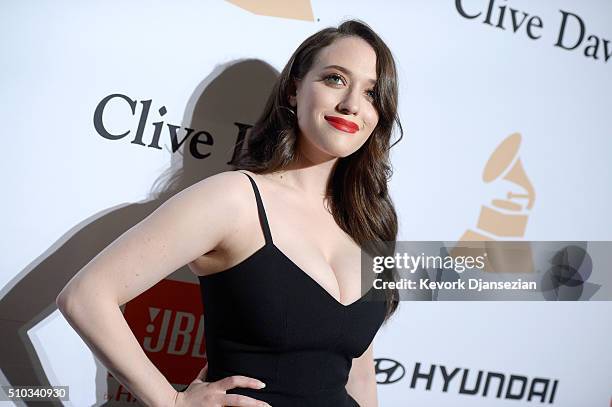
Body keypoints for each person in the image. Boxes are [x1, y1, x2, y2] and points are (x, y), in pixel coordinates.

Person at [57, 19, 402, 407]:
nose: (352, 104)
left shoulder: (368, 222)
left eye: (372, 93)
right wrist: (173, 402)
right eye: (335, 79)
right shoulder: (234, 199)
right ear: (294, 89)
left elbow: (358, 372)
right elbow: (85, 296)